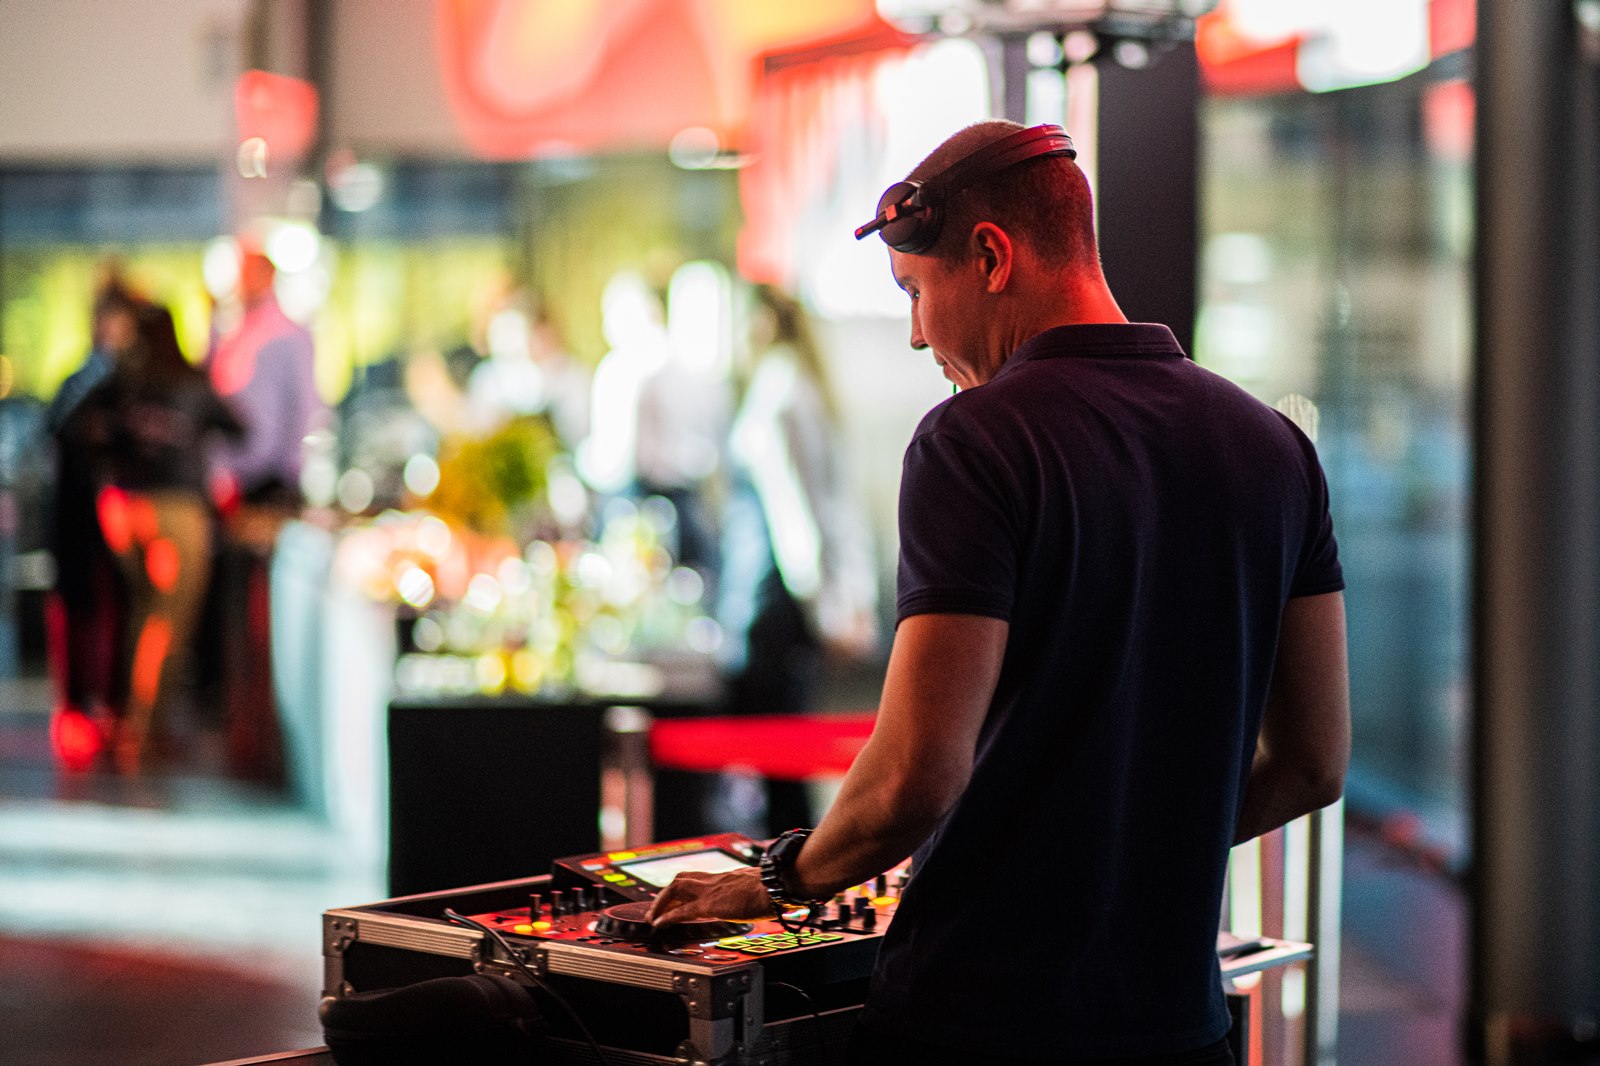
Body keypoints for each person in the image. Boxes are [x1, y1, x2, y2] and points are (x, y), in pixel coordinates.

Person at [646, 121, 1350, 1065]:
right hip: (1184, 1030)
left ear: (989, 256)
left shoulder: (972, 441)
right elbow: (1314, 762)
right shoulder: (1276, 448)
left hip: (976, 1021)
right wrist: (1135, 854)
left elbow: (916, 773)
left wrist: (777, 883)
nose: (915, 334)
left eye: (915, 292)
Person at [709, 282, 878, 836]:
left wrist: (826, 607)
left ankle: (783, 876)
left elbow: (798, 514)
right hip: (773, 599)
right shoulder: (791, 385)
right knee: (778, 768)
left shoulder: (779, 392)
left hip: (770, 605)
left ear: (759, 323)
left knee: (776, 769)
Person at [63, 303, 243, 773]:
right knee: (168, 619)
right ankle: (143, 731)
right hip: (175, 508)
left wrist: (117, 442)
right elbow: (239, 427)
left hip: (122, 508)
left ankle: (136, 723)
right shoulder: (189, 380)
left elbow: (71, 424)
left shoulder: (120, 379)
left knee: (143, 614)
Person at [45, 279, 140, 747]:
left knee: (116, 604)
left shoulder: (132, 383)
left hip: (120, 511)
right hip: (78, 508)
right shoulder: (86, 379)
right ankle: (77, 702)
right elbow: (57, 426)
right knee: (77, 602)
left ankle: (109, 702)